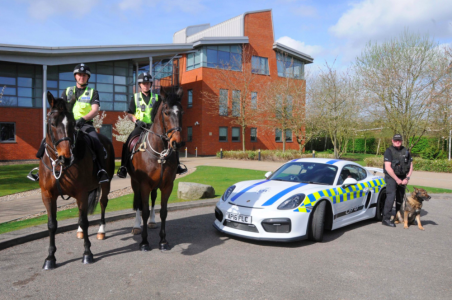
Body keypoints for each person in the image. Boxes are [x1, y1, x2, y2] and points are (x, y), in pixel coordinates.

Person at [27, 63, 109, 184]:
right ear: (75, 76)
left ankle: (101, 171)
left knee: (96, 141)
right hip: (67, 125)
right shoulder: (67, 91)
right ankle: (40, 171)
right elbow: (61, 108)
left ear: (88, 77)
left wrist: (83, 119)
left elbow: (95, 109)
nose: (82, 77)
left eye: (85, 75)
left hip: (85, 124)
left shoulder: (93, 92)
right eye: (80, 75)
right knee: (45, 142)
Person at [116, 72, 187, 178]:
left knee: (171, 142)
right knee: (127, 142)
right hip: (140, 126)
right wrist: (136, 121)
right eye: (143, 83)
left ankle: (177, 165)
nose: (146, 85)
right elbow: (130, 113)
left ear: (150, 85)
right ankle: (124, 167)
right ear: (140, 85)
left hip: (155, 127)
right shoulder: (135, 98)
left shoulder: (157, 98)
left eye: (148, 83)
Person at [382, 134, 413, 227]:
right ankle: (386, 219)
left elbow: (410, 166)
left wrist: (407, 178)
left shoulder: (406, 151)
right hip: (391, 177)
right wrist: (397, 179)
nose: (397, 142)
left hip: (403, 177)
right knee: (390, 198)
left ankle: (399, 216)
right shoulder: (389, 151)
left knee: (400, 198)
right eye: (396, 140)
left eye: (399, 140)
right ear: (392, 141)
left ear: (401, 141)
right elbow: (388, 167)